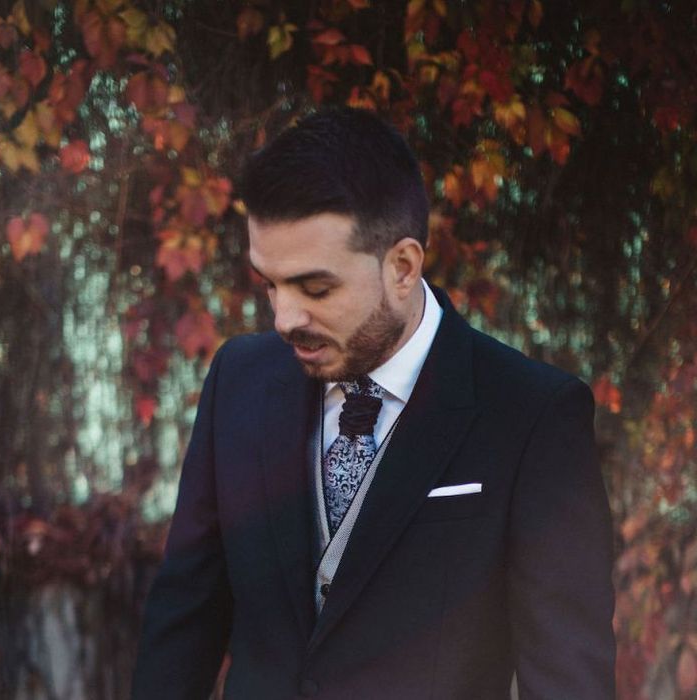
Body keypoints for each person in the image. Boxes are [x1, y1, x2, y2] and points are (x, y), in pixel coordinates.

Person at [131, 107, 616, 699]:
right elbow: (184, 619)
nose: (284, 319)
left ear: (403, 267)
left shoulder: (532, 415)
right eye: (269, 284)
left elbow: (568, 680)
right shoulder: (238, 378)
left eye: (315, 288)